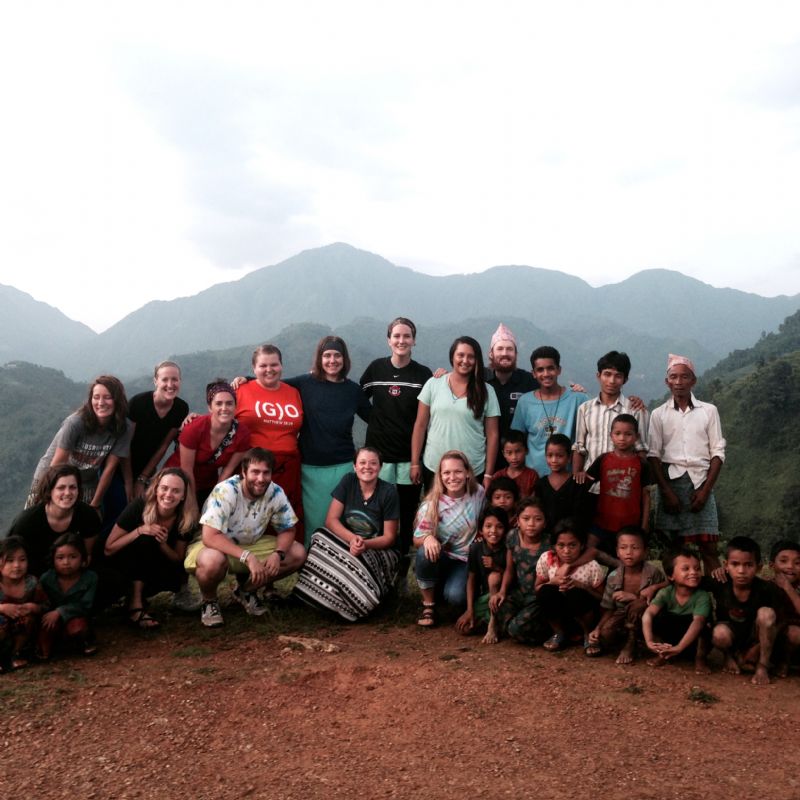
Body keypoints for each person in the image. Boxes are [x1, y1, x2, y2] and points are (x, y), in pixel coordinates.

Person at [183, 448, 306, 628]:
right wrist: (247, 557)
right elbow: (210, 536)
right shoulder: (226, 491)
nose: (261, 478)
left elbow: (288, 529)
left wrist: (277, 554)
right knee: (211, 561)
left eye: (266, 473)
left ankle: (246, 591)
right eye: (255, 472)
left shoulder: (275, 492)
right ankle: (209, 601)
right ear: (244, 472)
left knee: (297, 553)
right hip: (215, 546)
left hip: (251, 544)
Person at [360, 317, 433, 590]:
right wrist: (375, 420)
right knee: (377, 515)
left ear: (414, 340)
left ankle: (401, 572)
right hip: (377, 459)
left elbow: (430, 410)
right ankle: (376, 570)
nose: (401, 341)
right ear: (388, 339)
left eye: (407, 336)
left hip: (409, 459)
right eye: (396, 336)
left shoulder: (422, 374)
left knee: (405, 515)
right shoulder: (375, 369)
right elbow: (357, 399)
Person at [293, 447, 400, 621]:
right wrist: (352, 539)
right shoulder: (348, 481)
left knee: (358, 562)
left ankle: (358, 605)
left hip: (378, 548)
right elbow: (331, 520)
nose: (367, 467)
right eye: (362, 463)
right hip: (350, 543)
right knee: (319, 536)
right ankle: (321, 597)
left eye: (373, 463)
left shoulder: (388, 492)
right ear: (354, 466)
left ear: (380, 467)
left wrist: (365, 544)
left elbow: (389, 538)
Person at [285, 336, 372, 541]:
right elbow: (271, 384)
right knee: (313, 524)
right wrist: (244, 380)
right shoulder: (305, 383)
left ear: (344, 359)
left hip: (342, 467)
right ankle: (310, 566)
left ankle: (339, 568)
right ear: (319, 358)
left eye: (337, 355)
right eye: (327, 355)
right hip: (310, 469)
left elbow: (376, 419)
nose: (332, 360)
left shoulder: (352, 390)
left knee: (341, 523)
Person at [647, 354, 726, 575]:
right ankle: (677, 599)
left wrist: (705, 491)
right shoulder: (658, 415)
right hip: (670, 483)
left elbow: (717, 453)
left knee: (709, 547)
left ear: (694, 381)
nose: (679, 382)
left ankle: (720, 599)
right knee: (673, 547)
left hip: (701, 482)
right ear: (667, 381)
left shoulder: (708, 411)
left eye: (684, 377)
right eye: (674, 377)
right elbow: (653, 455)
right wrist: (666, 492)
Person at [104, 467, 198, 629]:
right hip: (123, 562)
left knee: (157, 549)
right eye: (164, 488)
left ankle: (137, 597)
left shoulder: (185, 518)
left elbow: (177, 558)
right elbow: (109, 548)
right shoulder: (139, 506)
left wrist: (161, 543)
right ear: (156, 489)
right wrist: (140, 530)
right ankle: (135, 605)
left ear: (183, 496)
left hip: (157, 565)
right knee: (145, 540)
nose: (168, 495)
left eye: (176, 491)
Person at [27, 375, 133, 515]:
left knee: (79, 525)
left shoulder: (123, 427)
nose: (101, 402)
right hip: (51, 475)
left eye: (107, 397)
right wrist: (50, 495)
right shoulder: (76, 423)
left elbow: (109, 469)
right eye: (96, 397)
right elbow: (57, 464)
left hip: (86, 481)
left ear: (117, 400)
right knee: (38, 517)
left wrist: (95, 504)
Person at [233, 345, 305, 543]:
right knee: (253, 515)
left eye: (274, 364)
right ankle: (249, 564)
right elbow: (219, 416)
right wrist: (193, 419)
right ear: (254, 368)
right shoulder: (241, 390)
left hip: (289, 465)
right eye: (263, 365)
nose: (269, 369)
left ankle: (287, 561)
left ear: (281, 365)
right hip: (254, 466)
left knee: (288, 517)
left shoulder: (293, 392)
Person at [410, 336, 500, 491]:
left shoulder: (486, 391)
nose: (465, 360)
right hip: (435, 466)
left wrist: (488, 474)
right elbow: (420, 425)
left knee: (470, 515)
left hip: (471, 469)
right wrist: (415, 462)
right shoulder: (434, 384)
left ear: (477, 360)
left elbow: (493, 435)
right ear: (452, 356)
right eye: (460, 355)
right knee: (433, 514)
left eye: (471, 356)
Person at [413, 451, 485, 626]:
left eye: (458, 471)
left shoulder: (479, 494)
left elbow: (486, 520)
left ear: (467, 473)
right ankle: (429, 606)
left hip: (465, 560)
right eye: (446, 473)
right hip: (441, 557)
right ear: (440, 476)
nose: (452, 477)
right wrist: (428, 538)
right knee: (424, 552)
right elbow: (417, 540)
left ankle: (444, 592)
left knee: (456, 597)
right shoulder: (432, 504)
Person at [164, 379, 252, 508]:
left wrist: (214, 500)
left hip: (208, 485)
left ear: (235, 406)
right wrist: (192, 503)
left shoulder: (242, 434)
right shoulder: (194, 428)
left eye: (229, 403)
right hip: (176, 480)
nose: (224, 408)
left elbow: (227, 471)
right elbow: (186, 470)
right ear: (210, 407)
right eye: (218, 404)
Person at [708, 536, 781, 685]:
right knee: (719, 633)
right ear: (726, 565)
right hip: (730, 637)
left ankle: (762, 665)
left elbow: (780, 622)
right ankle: (728, 657)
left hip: (756, 639)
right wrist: (654, 587)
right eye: (735, 564)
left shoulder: (766, 589)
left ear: (759, 567)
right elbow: (688, 582)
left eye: (748, 565)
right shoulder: (720, 581)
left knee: (766, 614)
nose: (741, 571)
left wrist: (757, 648)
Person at [572, 351, 649, 490]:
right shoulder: (585, 409)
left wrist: (638, 486)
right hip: (590, 485)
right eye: (607, 374)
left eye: (618, 376)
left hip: (623, 486)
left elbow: (641, 449)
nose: (612, 381)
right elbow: (579, 447)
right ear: (598, 376)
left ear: (625, 379)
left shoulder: (636, 410)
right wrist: (577, 475)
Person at [588, 527, 666, 663]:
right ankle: (632, 640)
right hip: (622, 616)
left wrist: (636, 597)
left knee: (637, 605)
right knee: (604, 635)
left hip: (649, 616)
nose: (629, 552)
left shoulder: (653, 573)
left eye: (635, 548)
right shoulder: (613, 577)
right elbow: (609, 608)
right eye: (623, 548)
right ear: (617, 552)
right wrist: (598, 628)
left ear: (645, 552)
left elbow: (664, 594)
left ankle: (630, 644)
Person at [584, 414, 654, 565]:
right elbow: (585, 485)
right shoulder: (603, 460)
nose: (622, 438)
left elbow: (646, 496)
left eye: (628, 434)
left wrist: (644, 525)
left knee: (629, 561)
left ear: (637, 436)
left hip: (630, 524)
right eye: (618, 434)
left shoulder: (642, 464)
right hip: (602, 520)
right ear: (611, 436)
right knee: (587, 549)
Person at [9, 465, 101, 578]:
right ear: (50, 491)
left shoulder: (88, 515)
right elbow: (10, 558)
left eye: (72, 487)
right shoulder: (26, 522)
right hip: (34, 577)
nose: (67, 493)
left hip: (72, 573)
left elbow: (87, 555)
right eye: (61, 488)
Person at [511, 346, 589, 476]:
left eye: (550, 368)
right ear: (534, 373)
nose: (546, 374)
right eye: (540, 370)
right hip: (534, 477)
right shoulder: (525, 402)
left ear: (559, 370)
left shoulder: (577, 399)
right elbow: (517, 441)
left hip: (567, 477)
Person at [535, 521, 606, 653]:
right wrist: (553, 583)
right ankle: (559, 633)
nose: (566, 551)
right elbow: (537, 588)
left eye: (572, 545)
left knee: (575, 594)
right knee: (546, 591)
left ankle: (588, 635)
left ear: (582, 545)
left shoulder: (591, 566)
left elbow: (603, 599)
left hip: (586, 615)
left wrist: (582, 587)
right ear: (554, 546)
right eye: (561, 545)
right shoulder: (546, 559)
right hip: (561, 614)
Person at [642, 549, 712, 673]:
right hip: (671, 640)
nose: (693, 573)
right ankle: (662, 654)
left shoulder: (702, 596)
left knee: (704, 625)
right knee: (656, 618)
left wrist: (680, 648)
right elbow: (648, 614)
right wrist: (649, 641)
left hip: (692, 643)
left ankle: (700, 658)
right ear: (670, 576)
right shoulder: (666, 592)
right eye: (686, 569)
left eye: (697, 569)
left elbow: (698, 622)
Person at [126, 361, 189, 498]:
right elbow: (125, 445)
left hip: (146, 469)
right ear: (155, 381)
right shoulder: (138, 403)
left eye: (174, 379)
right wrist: (129, 482)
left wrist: (142, 479)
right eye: (164, 379)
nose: (170, 384)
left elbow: (164, 445)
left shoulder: (181, 408)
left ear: (180, 381)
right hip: (122, 466)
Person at [494, 497, 549, 645]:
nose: (531, 524)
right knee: (498, 606)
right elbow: (509, 569)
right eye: (526, 518)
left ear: (545, 523)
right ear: (518, 520)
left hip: (539, 597)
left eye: (537, 519)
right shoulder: (512, 537)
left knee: (515, 629)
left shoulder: (549, 544)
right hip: (520, 593)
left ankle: (547, 632)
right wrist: (502, 591)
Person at [485, 324, 538, 469]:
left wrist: (575, 390)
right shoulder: (480, 379)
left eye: (509, 349)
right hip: (485, 457)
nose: (504, 353)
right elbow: (458, 380)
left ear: (515, 354)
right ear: (491, 354)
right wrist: (443, 375)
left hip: (520, 458)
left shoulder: (529, 381)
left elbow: (550, 391)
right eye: (500, 349)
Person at [37, 533, 98, 659]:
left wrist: (60, 611)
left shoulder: (90, 578)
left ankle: (83, 643)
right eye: (60, 557)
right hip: (51, 621)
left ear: (83, 559)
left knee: (78, 627)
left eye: (73, 557)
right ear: (53, 560)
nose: (66, 562)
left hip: (76, 619)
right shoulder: (46, 579)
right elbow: (42, 603)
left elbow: (86, 605)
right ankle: (44, 651)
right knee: (46, 626)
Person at [456, 506, 509, 643]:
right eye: (488, 526)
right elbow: (471, 580)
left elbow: (513, 577)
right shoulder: (476, 548)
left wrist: (495, 567)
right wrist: (469, 610)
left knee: (494, 577)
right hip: (486, 597)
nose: (493, 531)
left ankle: (493, 623)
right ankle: (487, 619)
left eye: (499, 527)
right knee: (465, 628)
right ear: (481, 530)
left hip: (505, 596)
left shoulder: (508, 548)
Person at [0, 537, 48, 671]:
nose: (17, 565)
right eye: (10, 560)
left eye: (22, 560)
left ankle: (15, 654)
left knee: (28, 620)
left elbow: (46, 605)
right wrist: (2, 608)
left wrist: (34, 607)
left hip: (20, 636)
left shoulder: (32, 583)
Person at [535, 434, 591, 537]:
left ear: (569, 458)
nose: (554, 460)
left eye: (559, 456)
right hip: (546, 537)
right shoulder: (541, 484)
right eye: (550, 455)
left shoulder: (577, 483)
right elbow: (538, 512)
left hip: (571, 537)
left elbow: (580, 516)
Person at [769, 540, 800, 676]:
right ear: (771, 565)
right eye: (784, 561)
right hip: (769, 641)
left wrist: (788, 588)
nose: (790, 567)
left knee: (795, 633)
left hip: (795, 644)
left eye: (797, 563)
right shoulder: (766, 586)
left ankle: (785, 662)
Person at [493, 430, 538, 497]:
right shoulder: (498, 476)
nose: (514, 457)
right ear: (503, 454)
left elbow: (533, 502)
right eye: (509, 452)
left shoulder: (532, 476)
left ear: (526, 450)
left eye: (518, 451)